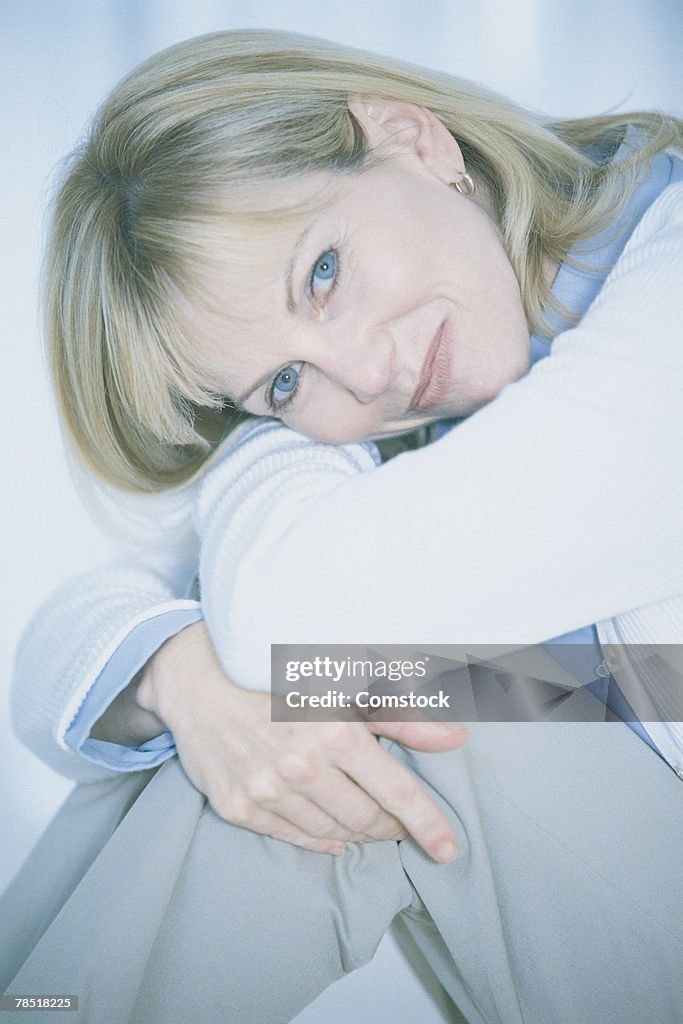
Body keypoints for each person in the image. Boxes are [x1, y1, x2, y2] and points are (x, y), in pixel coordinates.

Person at [3, 27, 683, 1024]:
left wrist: (259, 444)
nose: (364, 375)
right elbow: (52, 664)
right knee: (283, 719)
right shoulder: (410, 419)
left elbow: (293, 616)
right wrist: (177, 676)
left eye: (321, 272)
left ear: (414, 138)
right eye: (280, 380)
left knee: (364, 696)